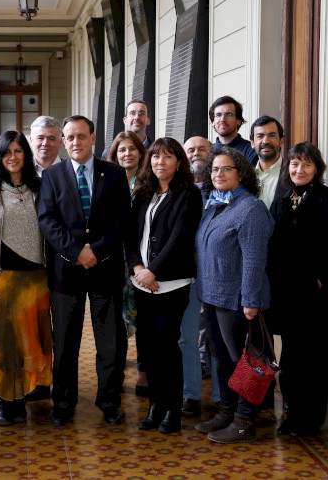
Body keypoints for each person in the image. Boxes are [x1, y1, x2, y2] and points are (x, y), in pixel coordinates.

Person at [38, 115, 130, 427]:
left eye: (81, 136)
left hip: (105, 269)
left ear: (93, 138)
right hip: (66, 271)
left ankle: (109, 399)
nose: (75, 142)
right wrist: (76, 252)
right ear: (64, 142)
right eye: (70, 137)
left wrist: (97, 250)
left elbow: (121, 219)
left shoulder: (115, 174)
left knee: (109, 341)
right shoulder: (52, 175)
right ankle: (63, 401)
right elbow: (47, 220)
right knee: (65, 342)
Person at [0, 130, 53, 426]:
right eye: (7, 152)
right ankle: (7, 401)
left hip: (35, 280)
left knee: (29, 342)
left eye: (18, 151)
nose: (12, 157)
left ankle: (23, 395)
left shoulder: (40, 187)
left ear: (26, 155)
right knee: (4, 344)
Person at [269, 142, 328, 437]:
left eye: (306, 164)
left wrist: (322, 280)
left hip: (317, 299)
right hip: (287, 298)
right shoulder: (281, 201)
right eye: (294, 164)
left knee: (315, 360)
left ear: (317, 168)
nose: (299, 170)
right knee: (290, 358)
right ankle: (292, 414)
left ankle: (311, 420)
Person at [194, 146, 273, 444]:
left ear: (241, 173)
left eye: (226, 168)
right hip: (212, 296)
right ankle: (226, 411)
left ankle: (244, 422)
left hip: (238, 301)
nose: (218, 174)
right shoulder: (216, 204)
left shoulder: (250, 208)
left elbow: (254, 259)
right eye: (214, 169)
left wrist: (251, 301)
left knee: (244, 363)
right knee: (222, 359)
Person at [125, 138, 202, 434]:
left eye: (168, 157)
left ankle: (172, 410)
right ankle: (155, 405)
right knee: (148, 347)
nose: (160, 162)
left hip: (172, 283)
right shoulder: (143, 193)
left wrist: (153, 271)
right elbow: (129, 235)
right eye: (156, 157)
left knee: (168, 347)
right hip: (142, 282)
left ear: (179, 162)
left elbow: (180, 238)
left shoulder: (189, 194)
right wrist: (138, 268)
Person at [180, 136, 221, 417]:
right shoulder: (178, 190)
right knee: (187, 338)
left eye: (202, 149)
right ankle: (191, 394)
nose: (196, 153)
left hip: (219, 276)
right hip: (187, 276)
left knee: (218, 339)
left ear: (212, 154)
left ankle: (222, 398)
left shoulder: (222, 188)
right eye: (190, 150)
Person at [107, 131, 148, 395]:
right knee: (115, 318)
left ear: (141, 153)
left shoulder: (149, 183)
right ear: (115, 155)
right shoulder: (108, 182)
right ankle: (117, 369)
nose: (127, 154)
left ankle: (144, 373)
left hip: (142, 260)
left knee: (143, 316)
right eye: (122, 150)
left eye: (132, 149)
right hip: (113, 258)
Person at [250, 116, 289, 208]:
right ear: (252, 143)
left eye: (272, 135)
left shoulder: (293, 174)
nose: (266, 141)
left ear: (281, 141)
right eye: (260, 136)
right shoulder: (242, 176)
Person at [209, 96, 258, 166]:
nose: (222, 119)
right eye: (218, 115)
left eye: (229, 114)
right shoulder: (208, 151)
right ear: (213, 121)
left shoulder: (251, 150)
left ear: (238, 121)